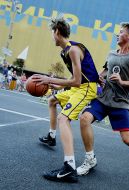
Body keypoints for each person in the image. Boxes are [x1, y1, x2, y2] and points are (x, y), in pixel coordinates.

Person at [77, 22, 129, 176]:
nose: (117, 35)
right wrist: (97, 77)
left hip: (120, 103)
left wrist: (122, 82)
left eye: (120, 32)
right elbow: (105, 70)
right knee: (84, 119)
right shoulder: (112, 53)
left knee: (128, 140)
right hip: (104, 98)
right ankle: (90, 159)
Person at [32, 16, 99, 183]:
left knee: (64, 118)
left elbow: (77, 81)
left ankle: (69, 167)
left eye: (52, 33)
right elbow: (75, 76)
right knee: (52, 101)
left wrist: (50, 80)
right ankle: (51, 136)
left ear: (57, 32)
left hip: (86, 88)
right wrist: (61, 86)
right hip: (78, 87)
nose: (51, 36)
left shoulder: (74, 50)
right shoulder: (65, 52)